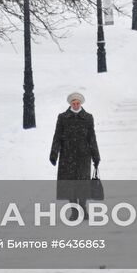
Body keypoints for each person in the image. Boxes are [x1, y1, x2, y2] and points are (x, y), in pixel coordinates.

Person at [50, 91, 100, 220]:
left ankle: (83, 208)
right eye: (74, 103)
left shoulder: (88, 117)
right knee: (69, 184)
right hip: (67, 156)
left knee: (82, 183)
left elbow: (91, 138)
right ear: (70, 103)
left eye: (78, 103)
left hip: (84, 156)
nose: (76, 105)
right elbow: (57, 136)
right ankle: (74, 210)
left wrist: (96, 156)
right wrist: (54, 154)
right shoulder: (62, 117)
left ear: (81, 103)